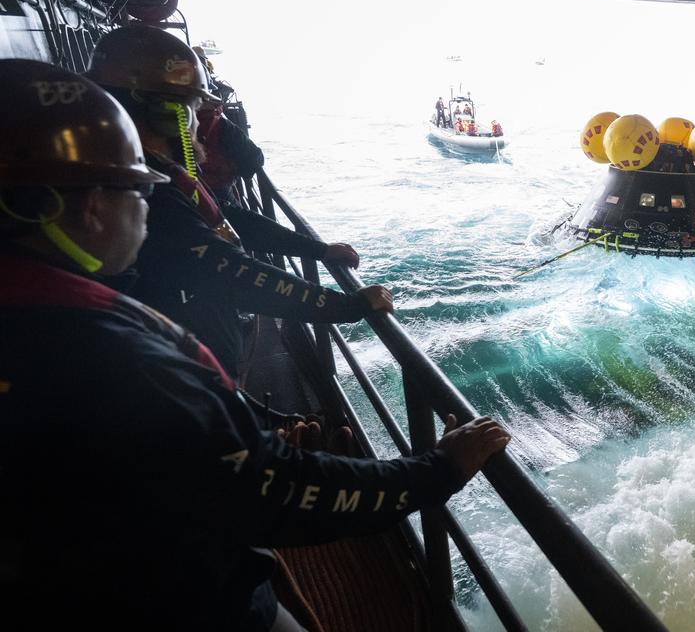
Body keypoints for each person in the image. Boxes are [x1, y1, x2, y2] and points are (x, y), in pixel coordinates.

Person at [0, 58, 512, 631]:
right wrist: (439, 467)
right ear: (93, 207)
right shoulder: (116, 361)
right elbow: (275, 496)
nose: (148, 206)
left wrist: (245, 422)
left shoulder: (46, 313)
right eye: (138, 191)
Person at [85, 25, 391, 378]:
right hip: (184, 376)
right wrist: (348, 306)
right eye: (192, 109)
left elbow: (226, 218)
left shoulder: (156, 172)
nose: (198, 122)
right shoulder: (145, 190)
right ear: (167, 113)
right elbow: (227, 272)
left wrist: (316, 250)